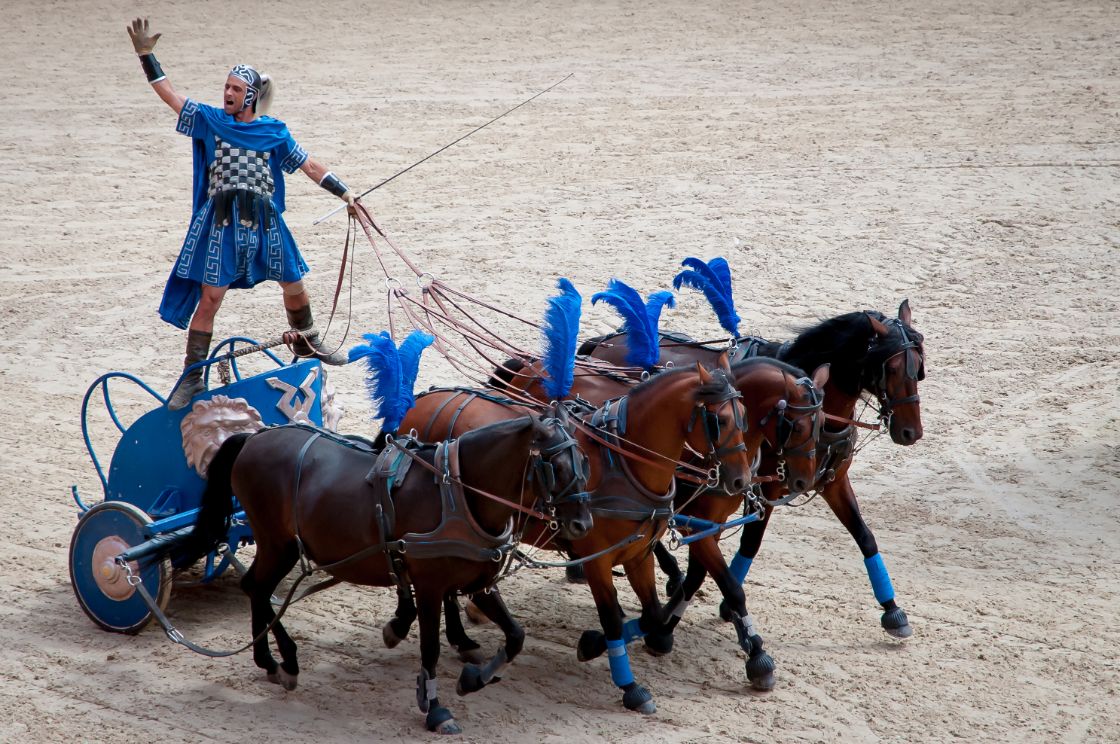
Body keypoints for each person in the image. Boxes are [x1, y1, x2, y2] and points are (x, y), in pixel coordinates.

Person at [126, 18, 356, 409]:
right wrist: (146, 55)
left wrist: (345, 192)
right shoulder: (211, 121)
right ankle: (192, 378)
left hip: (265, 220)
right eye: (226, 87)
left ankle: (307, 340)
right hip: (223, 222)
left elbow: (308, 165)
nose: (227, 93)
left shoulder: (273, 132)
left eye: (235, 89)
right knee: (211, 297)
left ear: (250, 96)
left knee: (294, 282)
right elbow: (171, 97)